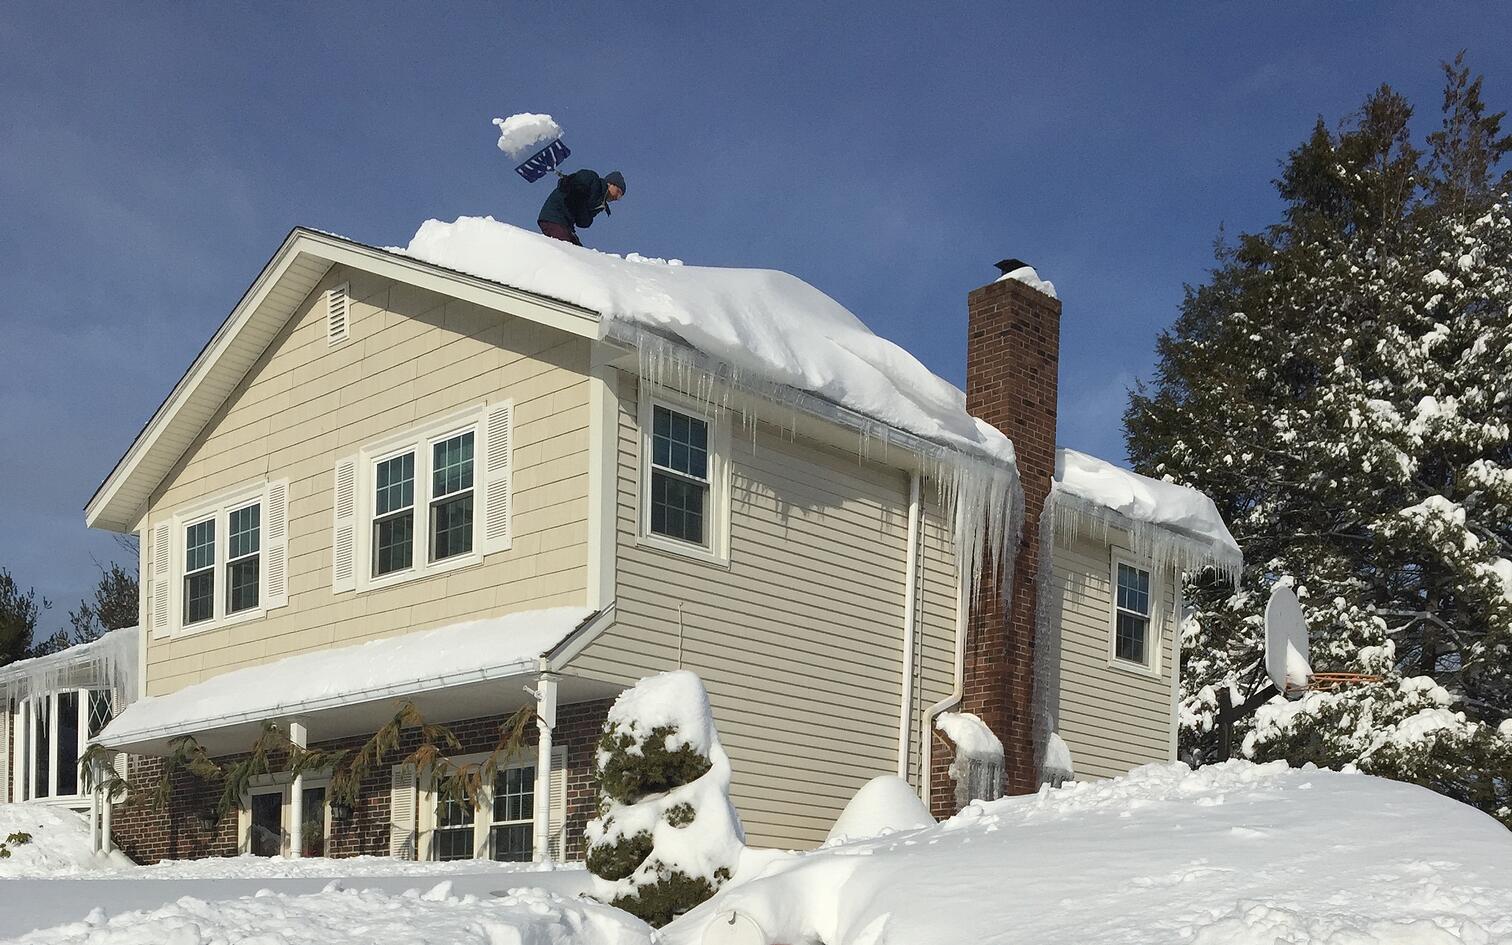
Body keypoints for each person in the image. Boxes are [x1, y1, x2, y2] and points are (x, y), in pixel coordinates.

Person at [538, 169, 626, 245]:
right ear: (610, 184)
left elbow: (582, 222)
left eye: (620, 197)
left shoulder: (600, 204)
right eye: (618, 192)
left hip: (566, 225)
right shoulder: (592, 179)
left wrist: (584, 212)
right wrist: (572, 185)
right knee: (567, 250)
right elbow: (571, 184)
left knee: (580, 252)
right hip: (554, 217)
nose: (617, 198)